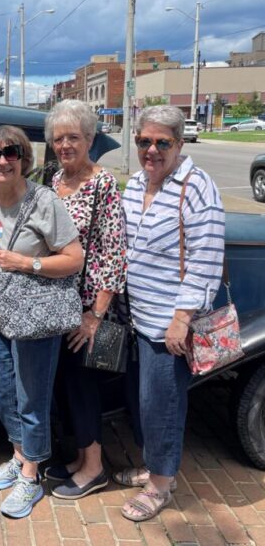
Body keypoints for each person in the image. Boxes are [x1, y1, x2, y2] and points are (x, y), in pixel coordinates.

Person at [117, 105, 224, 521]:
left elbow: (206, 256)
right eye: (144, 141)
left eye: (163, 142)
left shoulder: (196, 186)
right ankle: (153, 465)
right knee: (143, 401)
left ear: (180, 144)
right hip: (137, 317)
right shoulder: (136, 184)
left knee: (162, 402)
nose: (152, 150)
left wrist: (182, 317)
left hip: (169, 322)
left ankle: (161, 483)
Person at [0, 125, 84, 518]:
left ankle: (32, 475)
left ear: (24, 157)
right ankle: (20, 456)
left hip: (34, 319)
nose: (2, 160)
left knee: (31, 400)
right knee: (4, 394)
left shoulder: (44, 201)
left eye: (11, 152)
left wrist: (28, 262)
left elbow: (74, 259)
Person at [41, 100, 127, 499]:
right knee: (65, 384)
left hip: (87, 309)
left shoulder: (102, 183)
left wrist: (95, 315)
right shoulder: (54, 180)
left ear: (90, 139)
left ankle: (95, 468)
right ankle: (80, 457)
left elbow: (113, 252)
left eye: (73, 137)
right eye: (58, 139)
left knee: (83, 384)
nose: (64, 145)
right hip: (56, 305)